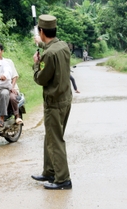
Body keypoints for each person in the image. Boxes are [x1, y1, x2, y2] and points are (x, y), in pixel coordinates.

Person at [31, 14, 73, 190]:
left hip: (53, 103)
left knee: (55, 140)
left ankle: (63, 179)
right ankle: (49, 171)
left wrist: (36, 65)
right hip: (65, 99)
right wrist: (41, 43)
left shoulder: (48, 55)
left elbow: (41, 79)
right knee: (51, 137)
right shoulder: (63, 46)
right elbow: (51, 46)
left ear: (41, 31)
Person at [0, 42, 23, 124]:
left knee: (11, 97)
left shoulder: (8, 62)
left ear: (2, 51)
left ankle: (17, 116)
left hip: (10, 86)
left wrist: (12, 87)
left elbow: (14, 76)